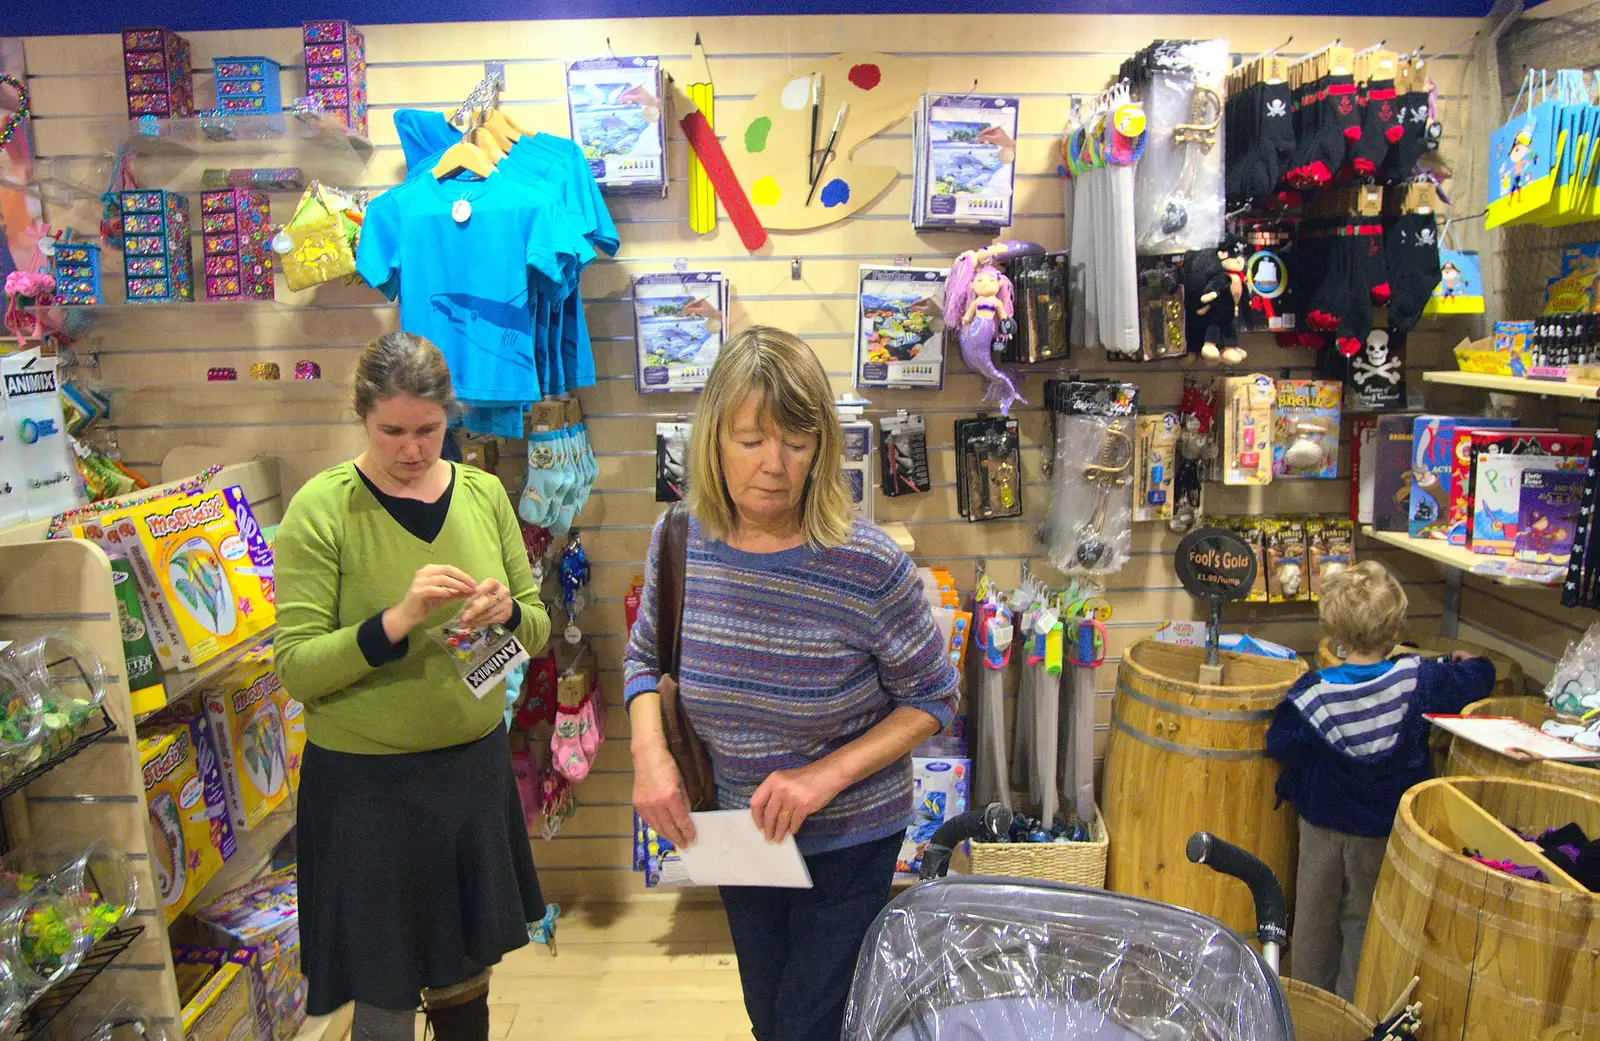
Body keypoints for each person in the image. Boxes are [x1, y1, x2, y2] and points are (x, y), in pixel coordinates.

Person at [623, 326, 959, 1041]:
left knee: (810, 1024)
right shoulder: (681, 538)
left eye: (796, 442)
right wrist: (650, 754)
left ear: (823, 448)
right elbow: (644, 660)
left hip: (848, 837)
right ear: (713, 437)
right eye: (751, 440)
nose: (774, 465)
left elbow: (932, 697)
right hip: (737, 830)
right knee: (770, 1014)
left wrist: (821, 778)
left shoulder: (866, 563)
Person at [273, 332, 551, 1041]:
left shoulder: (485, 494)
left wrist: (507, 614)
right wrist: (394, 621)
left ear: (450, 418)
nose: (412, 448)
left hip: (469, 774)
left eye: (428, 430)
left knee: (465, 976)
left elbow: (538, 625)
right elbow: (297, 667)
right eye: (391, 431)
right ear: (362, 417)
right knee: (385, 986)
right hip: (367, 790)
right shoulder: (321, 509)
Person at [1267, 561, 1495, 1001]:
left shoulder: (1310, 692)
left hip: (1322, 823)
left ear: (1334, 630)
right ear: (1395, 631)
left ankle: (1307, 1009)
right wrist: (1460, 661)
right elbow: (1479, 676)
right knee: (1366, 920)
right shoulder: (1419, 679)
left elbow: (1282, 743)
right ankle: (1353, 1012)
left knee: (1314, 918)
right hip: (1384, 829)